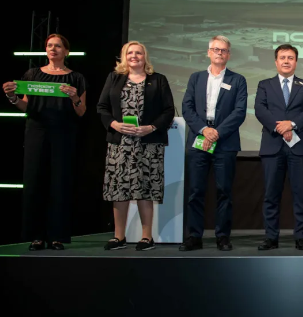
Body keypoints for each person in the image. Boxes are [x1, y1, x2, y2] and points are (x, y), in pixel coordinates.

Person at [2, 34, 87, 250]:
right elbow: (25, 106)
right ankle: (36, 236)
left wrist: (74, 98)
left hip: (63, 133)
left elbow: (81, 111)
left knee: (59, 183)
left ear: (66, 51)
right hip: (36, 132)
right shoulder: (32, 74)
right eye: (49, 45)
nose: (53, 49)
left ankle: (57, 236)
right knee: (35, 181)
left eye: (58, 46)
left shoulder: (76, 78)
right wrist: (12, 97)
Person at [97, 41, 175, 251]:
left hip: (148, 143)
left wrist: (151, 127)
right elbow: (102, 107)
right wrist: (114, 124)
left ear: (144, 56)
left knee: (145, 188)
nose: (134, 56)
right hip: (120, 144)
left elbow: (168, 110)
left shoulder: (158, 79)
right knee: (119, 190)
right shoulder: (114, 78)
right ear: (124, 56)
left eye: (138, 53)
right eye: (130, 52)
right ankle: (118, 237)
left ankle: (147, 237)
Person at [180, 35, 247, 251]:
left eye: (223, 50)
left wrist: (216, 133)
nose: (219, 53)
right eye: (216, 49)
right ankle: (194, 236)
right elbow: (187, 108)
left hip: (225, 142)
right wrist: (204, 130)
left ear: (229, 55)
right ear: (208, 52)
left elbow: (239, 112)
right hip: (198, 138)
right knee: (195, 191)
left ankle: (223, 236)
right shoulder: (196, 78)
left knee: (224, 191)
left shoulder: (238, 80)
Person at [254, 44, 303, 251]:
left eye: (290, 58)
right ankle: (271, 237)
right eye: (282, 57)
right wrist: (279, 127)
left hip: (299, 147)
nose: (286, 61)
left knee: (301, 195)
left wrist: (291, 124)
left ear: (296, 62)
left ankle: (301, 237)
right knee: (271, 195)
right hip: (272, 146)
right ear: (276, 61)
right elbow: (260, 109)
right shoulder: (265, 85)